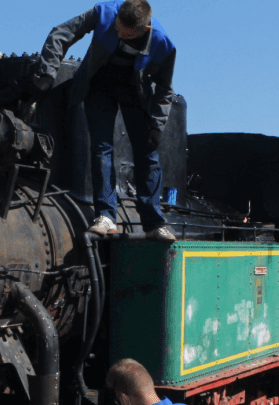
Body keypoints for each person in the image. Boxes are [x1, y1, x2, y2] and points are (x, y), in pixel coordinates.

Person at [34, 0, 177, 242]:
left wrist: (157, 125)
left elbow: (165, 89)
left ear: (144, 29)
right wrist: (47, 71)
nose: (118, 33)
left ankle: (154, 223)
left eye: (125, 32)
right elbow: (62, 32)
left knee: (148, 154)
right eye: (117, 27)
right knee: (101, 148)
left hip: (136, 92)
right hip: (98, 86)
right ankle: (106, 216)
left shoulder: (163, 44)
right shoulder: (104, 13)